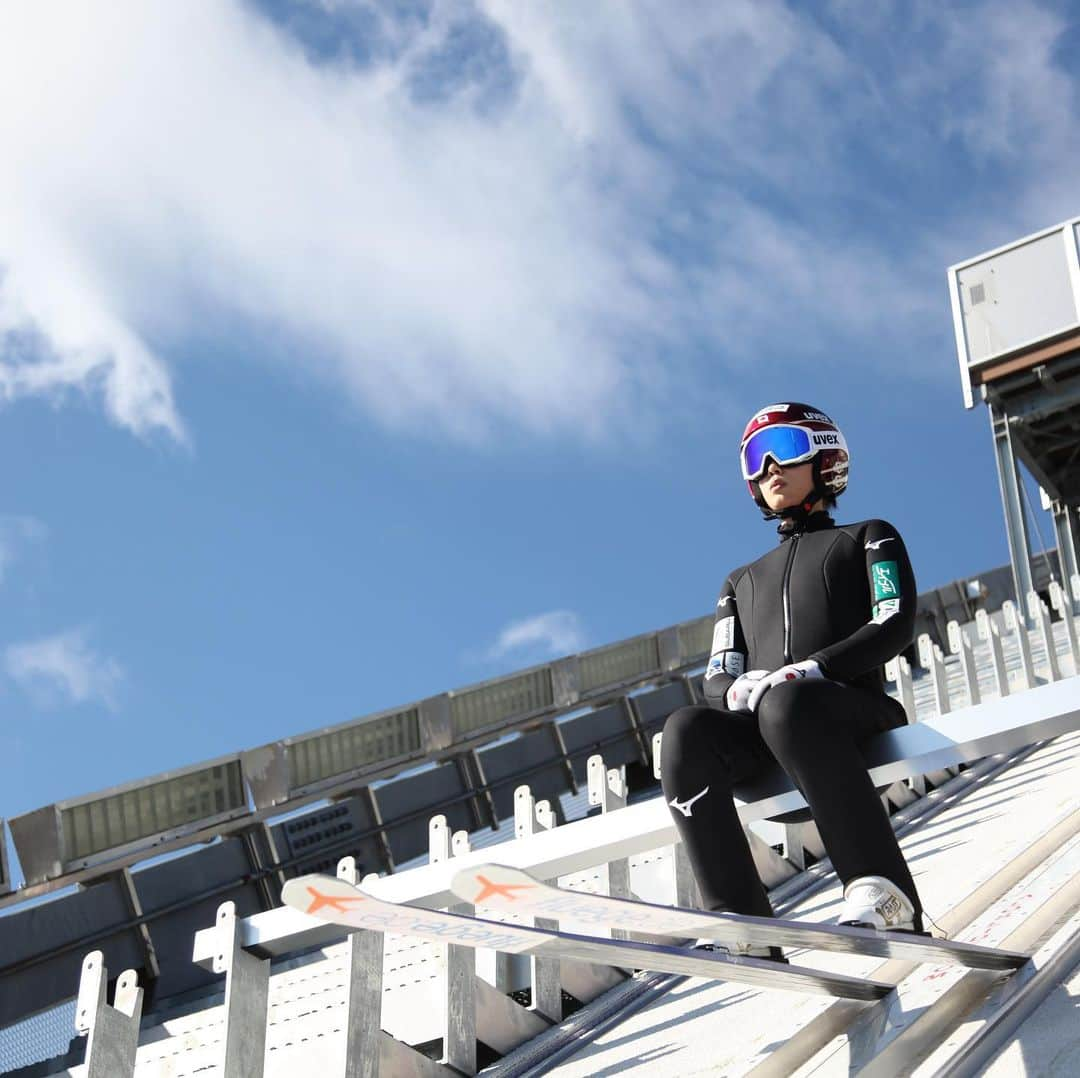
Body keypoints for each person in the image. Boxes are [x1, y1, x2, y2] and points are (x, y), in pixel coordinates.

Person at [660, 402, 924, 947]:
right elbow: (718, 670)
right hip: (773, 729)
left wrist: (812, 669)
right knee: (685, 730)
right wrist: (735, 688)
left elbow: (893, 620)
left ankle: (884, 893)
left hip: (851, 713)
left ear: (825, 455)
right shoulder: (739, 581)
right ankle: (742, 918)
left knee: (789, 702)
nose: (769, 469)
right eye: (754, 461)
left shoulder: (868, 536)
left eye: (782, 450)